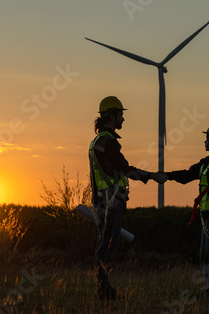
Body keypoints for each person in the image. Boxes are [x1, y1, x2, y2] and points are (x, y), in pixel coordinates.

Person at [89, 96, 163, 300]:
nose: (123, 119)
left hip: (104, 201)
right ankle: (104, 291)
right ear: (111, 116)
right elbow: (126, 169)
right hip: (111, 202)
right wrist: (152, 176)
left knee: (104, 245)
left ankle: (105, 289)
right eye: (121, 115)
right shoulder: (108, 143)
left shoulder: (97, 141)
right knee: (106, 246)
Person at [160, 122, 209, 297]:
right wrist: (167, 176)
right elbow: (188, 175)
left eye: (207, 138)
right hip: (206, 216)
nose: (205, 141)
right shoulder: (208, 162)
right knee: (207, 255)